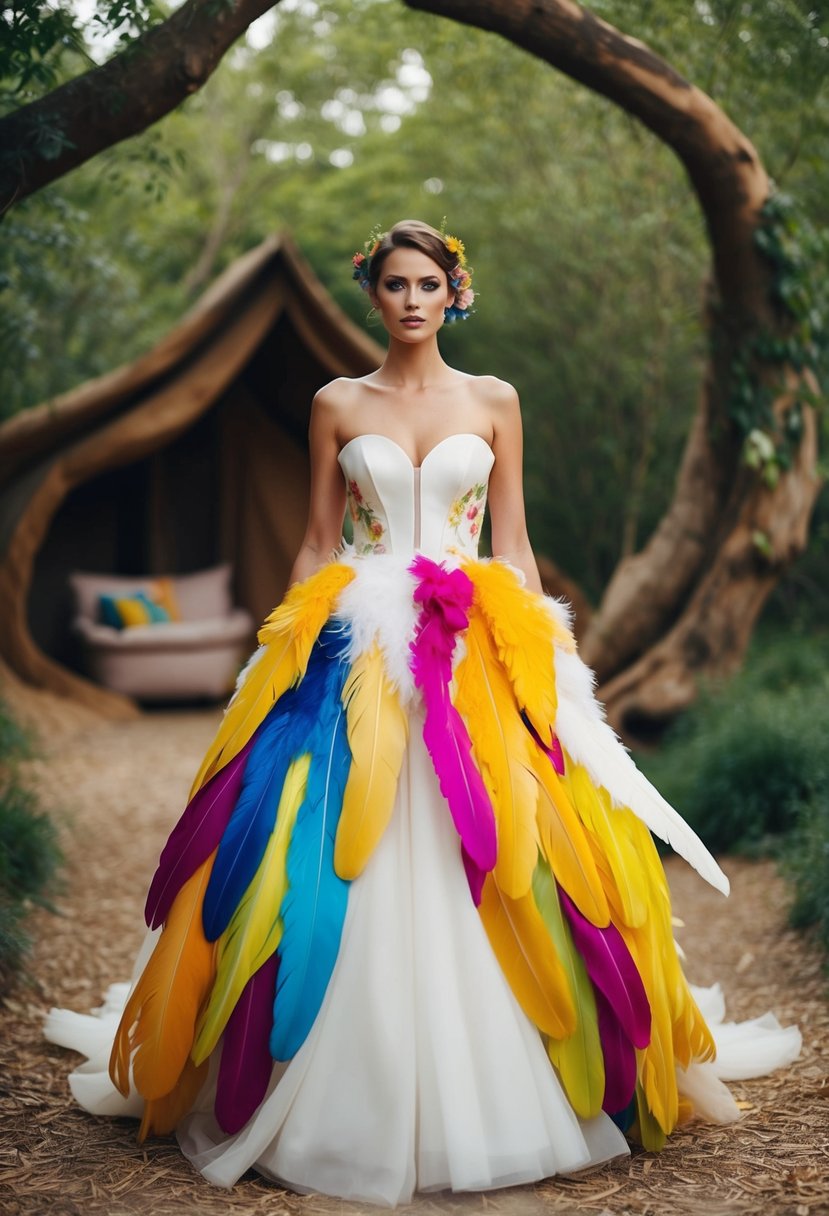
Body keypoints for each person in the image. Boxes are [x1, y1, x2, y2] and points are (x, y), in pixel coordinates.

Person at [45, 219, 801, 1207]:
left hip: (470, 638)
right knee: (319, 835)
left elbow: (513, 540)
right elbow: (321, 541)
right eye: (395, 284)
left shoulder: (494, 401)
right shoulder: (334, 403)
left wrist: (551, 662)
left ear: (454, 294)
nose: (411, 299)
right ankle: (321, 1072)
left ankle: (519, 1062)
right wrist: (280, 649)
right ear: (374, 295)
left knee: (505, 834)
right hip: (355, 640)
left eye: (428, 284)